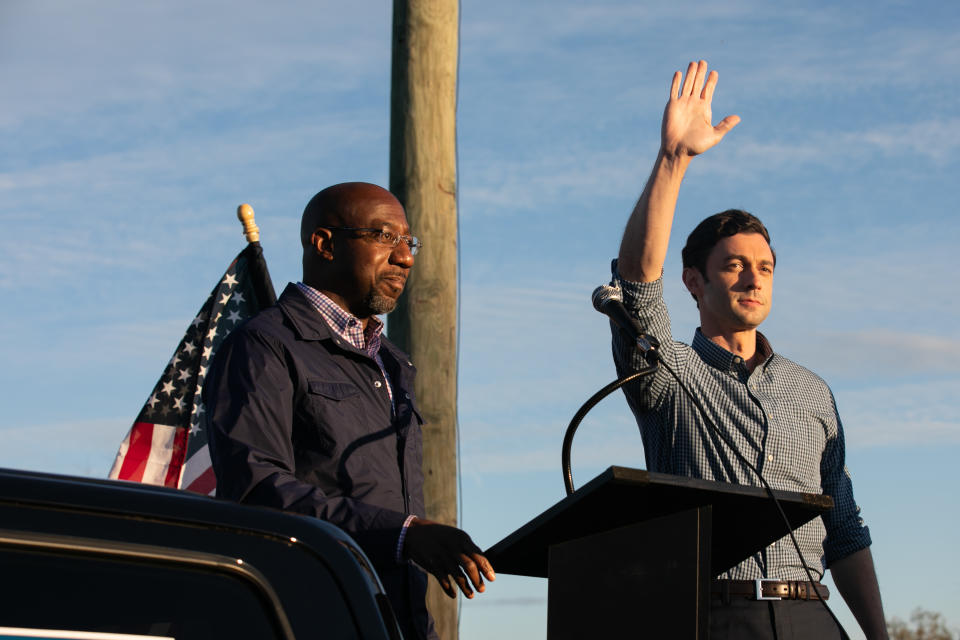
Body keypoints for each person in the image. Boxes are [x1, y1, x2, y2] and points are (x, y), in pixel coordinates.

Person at [607, 61, 888, 639]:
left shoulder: (811, 390)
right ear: (695, 282)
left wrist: (878, 636)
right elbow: (638, 277)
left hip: (813, 613)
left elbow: (846, 529)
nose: (752, 281)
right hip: (711, 616)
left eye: (764, 268)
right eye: (734, 266)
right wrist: (674, 160)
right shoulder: (669, 373)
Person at [203, 182, 494, 640]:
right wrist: (404, 533)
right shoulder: (264, 345)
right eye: (384, 237)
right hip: (309, 617)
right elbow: (255, 490)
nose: (406, 257)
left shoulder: (394, 364)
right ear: (324, 244)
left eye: (408, 241)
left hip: (394, 622)